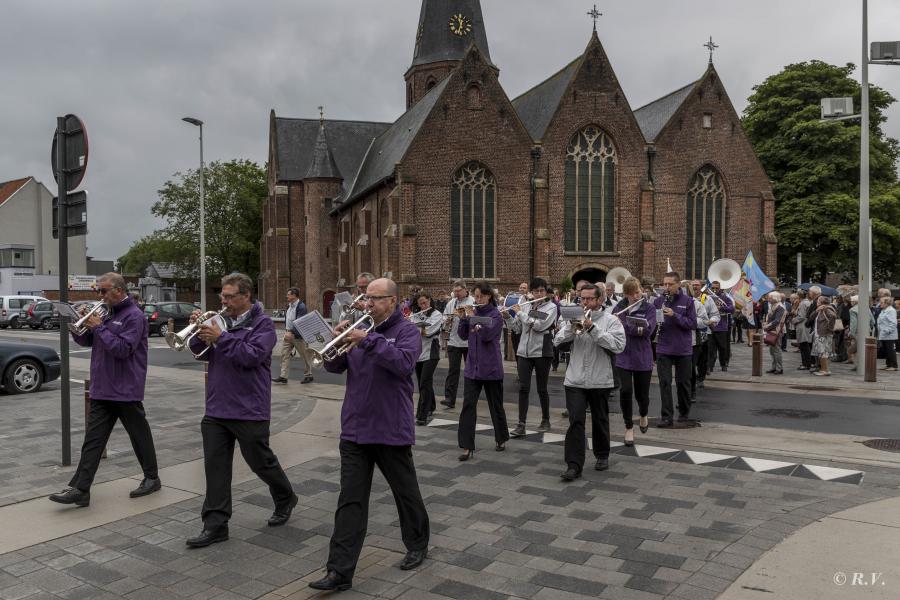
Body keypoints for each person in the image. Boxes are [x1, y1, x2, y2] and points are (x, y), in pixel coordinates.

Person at [310, 278, 429, 592]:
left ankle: (417, 543)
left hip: (390, 428)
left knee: (405, 493)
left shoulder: (406, 331)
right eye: (366, 298)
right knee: (350, 500)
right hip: (355, 428)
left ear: (392, 300)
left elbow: (403, 364)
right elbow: (335, 369)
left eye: (375, 299)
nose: (368, 304)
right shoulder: (360, 329)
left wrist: (367, 341)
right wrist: (334, 344)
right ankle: (339, 571)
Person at [185, 273, 297, 548]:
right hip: (216, 407)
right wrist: (198, 333)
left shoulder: (264, 325)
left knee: (261, 462)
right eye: (222, 296)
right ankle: (215, 524)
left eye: (228, 296)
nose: (222, 301)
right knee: (215, 468)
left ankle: (285, 497)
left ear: (246, 296)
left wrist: (222, 338)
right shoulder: (219, 322)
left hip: (249, 408)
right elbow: (199, 352)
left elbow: (251, 357)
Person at [49, 273, 159, 508]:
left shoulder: (135, 316)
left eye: (103, 291)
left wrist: (99, 328)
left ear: (119, 290)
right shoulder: (106, 314)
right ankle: (80, 489)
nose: (99, 295)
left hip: (125, 388)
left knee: (139, 436)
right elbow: (87, 341)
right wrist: (75, 325)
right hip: (103, 387)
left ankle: (152, 478)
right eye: (98, 290)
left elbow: (123, 349)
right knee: (93, 441)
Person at [554, 284, 625, 480]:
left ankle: (602, 454)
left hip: (600, 379)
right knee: (575, 420)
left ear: (600, 300)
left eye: (589, 299)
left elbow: (618, 346)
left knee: (600, 419)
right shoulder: (570, 317)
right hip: (575, 379)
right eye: (582, 299)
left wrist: (592, 328)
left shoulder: (611, 320)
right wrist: (570, 327)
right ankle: (573, 465)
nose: (585, 302)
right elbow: (557, 341)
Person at [457, 281, 510, 460]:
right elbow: (463, 335)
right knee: (468, 406)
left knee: (495, 405)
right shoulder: (474, 313)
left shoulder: (496, 315)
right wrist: (463, 319)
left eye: (480, 296)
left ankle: (501, 438)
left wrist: (472, 318)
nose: (477, 299)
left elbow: (487, 335)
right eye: (476, 296)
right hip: (472, 367)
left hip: (491, 367)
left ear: (488, 296)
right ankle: (466, 446)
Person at [505, 278, 559, 436]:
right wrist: (508, 316)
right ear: (532, 292)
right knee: (523, 388)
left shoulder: (551, 307)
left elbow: (539, 326)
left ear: (546, 292)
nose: (539, 293)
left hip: (542, 352)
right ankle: (521, 423)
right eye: (536, 291)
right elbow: (516, 328)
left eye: (542, 291)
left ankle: (545, 419)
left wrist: (521, 313)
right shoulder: (527, 305)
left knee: (542, 388)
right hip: (524, 352)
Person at [614, 277, 656, 446]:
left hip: (642, 356)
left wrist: (626, 325)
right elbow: (615, 328)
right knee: (625, 390)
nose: (636, 296)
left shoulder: (649, 307)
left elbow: (647, 331)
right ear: (626, 295)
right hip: (623, 355)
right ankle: (628, 426)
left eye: (638, 292)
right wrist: (632, 327)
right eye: (632, 294)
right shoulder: (619, 308)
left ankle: (643, 414)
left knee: (642, 395)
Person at [653, 271, 696, 427]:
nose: (667, 287)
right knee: (664, 383)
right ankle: (666, 416)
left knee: (683, 383)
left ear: (678, 284)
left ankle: (684, 413)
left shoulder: (688, 301)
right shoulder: (658, 301)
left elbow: (692, 324)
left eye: (670, 284)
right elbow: (653, 323)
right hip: (663, 347)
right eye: (665, 284)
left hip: (682, 348)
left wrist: (675, 315)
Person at [440, 281, 474, 409]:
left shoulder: (472, 301)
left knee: (470, 371)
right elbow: (443, 318)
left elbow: (474, 319)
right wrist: (447, 320)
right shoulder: (451, 302)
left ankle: (469, 397)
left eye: (459, 291)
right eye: (455, 291)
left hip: (468, 342)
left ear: (466, 290)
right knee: (453, 371)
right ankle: (450, 398)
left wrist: (463, 316)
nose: (457, 293)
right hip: (454, 341)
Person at [412, 293, 444, 424]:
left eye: (425, 302)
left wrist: (416, 328)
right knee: (422, 382)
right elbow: (411, 331)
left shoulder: (437, 314)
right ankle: (431, 406)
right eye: (420, 304)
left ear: (430, 300)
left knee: (425, 382)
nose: (423, 305)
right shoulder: (416, 315)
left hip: (431, 352)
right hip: (418, 351)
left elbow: (428, 332)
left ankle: (422, 415)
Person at [273, 287, 313, 385]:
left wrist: (291, 332)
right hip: (288, 334)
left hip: (297, 336)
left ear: (294, 296)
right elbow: (289, 319)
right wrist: (287, 331)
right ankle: (283, 376)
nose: (287, 296)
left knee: (304, 356)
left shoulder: (301, 306)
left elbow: (300, 322)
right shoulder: (290, 306)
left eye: (288, 294)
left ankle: (309, 375)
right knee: (284, 354)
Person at [706, 280, 733, 371]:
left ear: (720, 288)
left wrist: (720, 307)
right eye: (713, 288)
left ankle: (723, 364)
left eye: (716, 288)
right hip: (711, 327)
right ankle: (710, 366)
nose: (714, 290)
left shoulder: (725, 297)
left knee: (722, 348)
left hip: (722, 327)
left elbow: (732, 308)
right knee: (711, 349)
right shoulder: (708, 297)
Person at [808, 293, 837, 376]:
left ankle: (824, 370)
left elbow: (833, 316)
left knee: (823, 352)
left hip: (824, 334)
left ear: (821, 302)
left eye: (818, 301)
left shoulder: (827, 308)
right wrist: (816, 310)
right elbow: (811, 317)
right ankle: (824, 369)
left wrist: (829, 328)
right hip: (821, 333)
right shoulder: (820, 309)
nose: (817, 302)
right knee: (822, 352)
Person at [762, 291, 787, 374]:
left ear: (774, 298)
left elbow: (777, 320)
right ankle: (774, 367)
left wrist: (767, 326)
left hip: (777, 331)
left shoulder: (780, 307)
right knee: (772, 350)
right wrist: (766, 323)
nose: (768, 299)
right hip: (772, 330)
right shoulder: (774, 305)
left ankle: (779, 368)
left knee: (776, 350)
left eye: (770, 298)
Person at [794, 288, 816, 370]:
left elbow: (801, 316)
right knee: (809, 345)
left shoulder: (803, 304)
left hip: (803, 326)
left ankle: (806, 364)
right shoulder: (809, 302)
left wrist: (793, 320)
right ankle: (811, 362)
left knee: (804, 346)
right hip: (807, 326)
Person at [877, 296, 898, 371]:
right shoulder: (884, 310)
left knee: (890, 350)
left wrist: (886, 331)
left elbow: (893, 323)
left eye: (882, 303)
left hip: (889, 335)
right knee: (886, 350)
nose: (880, 304)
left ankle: (894, 365)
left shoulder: (891, 310)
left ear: (887, 303)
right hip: (883, 334)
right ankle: (888, 364)